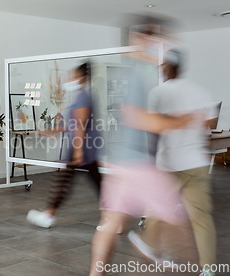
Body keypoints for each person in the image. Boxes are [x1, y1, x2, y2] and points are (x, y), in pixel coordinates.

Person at [89, 15, 195, 276]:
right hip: (137, 164)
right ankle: (153, 245)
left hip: (121, 161)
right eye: (159, 40)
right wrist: (178, 121)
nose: (164, 46)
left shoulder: (140, 71)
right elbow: (135, 116)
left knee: (110, 223)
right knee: (178, 218)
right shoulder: (138, 72)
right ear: (142, 40)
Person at [128, 49, 218, 276]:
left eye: (163, 65)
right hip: (196, 163)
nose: (161, 69)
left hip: (170, 164)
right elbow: (210, 122)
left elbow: (153, 130)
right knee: (201, 218)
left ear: (168, 67)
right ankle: (208, 268)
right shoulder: (198, 91)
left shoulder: (159, 93)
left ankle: (148, 243)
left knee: (158, 208)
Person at [27, 62, 102, 228]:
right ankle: (112, 218)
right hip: (83, 147)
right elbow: (74, 125)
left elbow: (81, 125)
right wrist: (54, 130)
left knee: (66, 181)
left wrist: (77, 152)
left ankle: (49, 215)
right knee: (93, 183)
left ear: (83, 78)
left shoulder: (83, 96)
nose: (70, 79)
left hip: (82, 148)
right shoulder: (83, 95)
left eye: (74, 76)